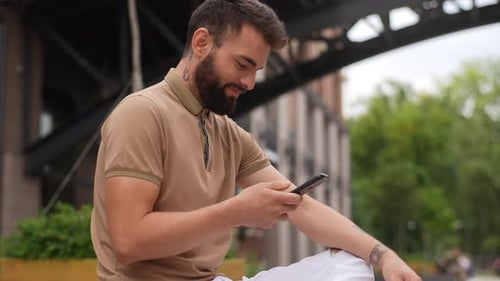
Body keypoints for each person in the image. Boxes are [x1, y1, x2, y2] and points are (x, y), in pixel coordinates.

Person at [90, 1, 422, 281]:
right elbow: (128, 240)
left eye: (257, 71)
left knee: (354, 262)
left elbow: (299, 205)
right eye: (242, 65)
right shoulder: (142, 113)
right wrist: (235, 212)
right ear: (202, 42)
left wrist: (382, 254)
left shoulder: (227, 132)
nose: (249, 82)